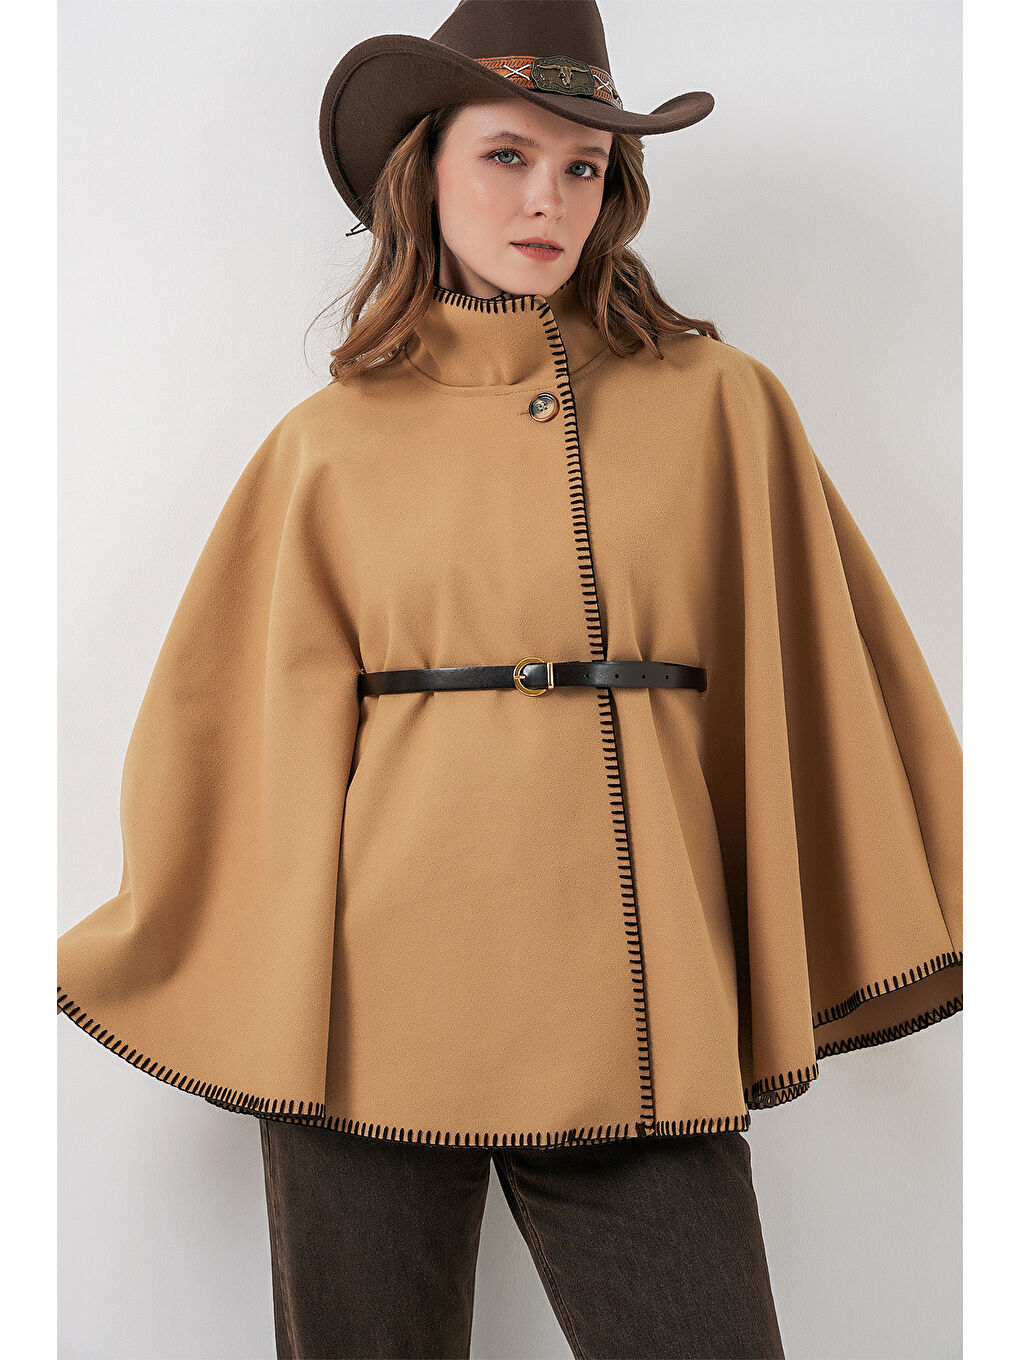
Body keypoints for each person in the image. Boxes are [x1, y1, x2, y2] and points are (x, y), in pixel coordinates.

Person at [58, 2, 962, 1357]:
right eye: (507, 156)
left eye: (583, 166)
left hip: (640, 1014)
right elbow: (228, 742)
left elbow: (820, 685)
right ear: (423, 168)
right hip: (364, 1018)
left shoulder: (722, 403)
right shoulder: (327, 444)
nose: (549, 199)